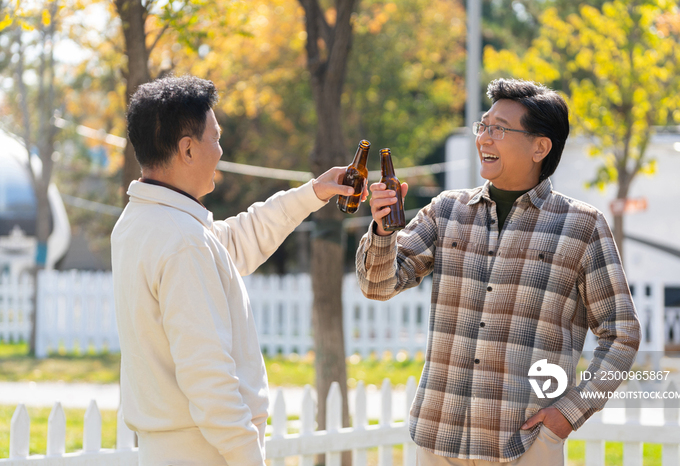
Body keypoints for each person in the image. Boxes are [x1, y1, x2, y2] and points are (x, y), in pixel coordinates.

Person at [356, 78, 641, 465]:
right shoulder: (446, 211)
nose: (484, 139)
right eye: (483, 126)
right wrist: (383, 233)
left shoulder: (582, 226)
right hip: (438, 438)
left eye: (499, 129)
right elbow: (378, 285)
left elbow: (621, 333)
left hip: (526, 443)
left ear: (540, 147)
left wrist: (569, 414)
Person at [111, 75, 358, 466]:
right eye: (216, 137)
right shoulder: (182, 241)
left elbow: (236, 241)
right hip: (205, 452)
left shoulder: (143, 222)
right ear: (187, 149)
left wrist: (313, 193)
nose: (221, 151)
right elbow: (207, 376)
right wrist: (248, 456)